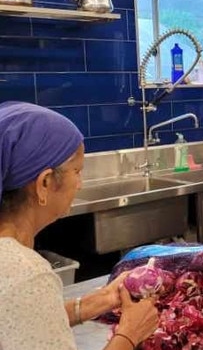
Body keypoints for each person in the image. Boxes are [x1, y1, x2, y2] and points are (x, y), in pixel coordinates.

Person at [0, 101, 159, 350]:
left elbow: (23, 323)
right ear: (44, 183)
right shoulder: (25, 274)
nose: (80, 184)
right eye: (77, 171)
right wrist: (129, 334)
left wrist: (98, 301)